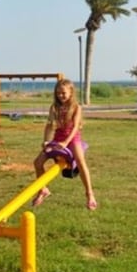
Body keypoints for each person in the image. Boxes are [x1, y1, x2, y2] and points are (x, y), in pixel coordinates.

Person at [32, 78, 97, 210]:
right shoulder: (54, 107)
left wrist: (66, 142)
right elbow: (50, 125)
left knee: (80, 161)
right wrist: (46, 141)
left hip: (72, 138)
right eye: (58, 93)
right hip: (58, 137)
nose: (60, 95)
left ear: (71, 93)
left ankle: (89, 194)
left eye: (63, 93)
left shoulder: (76, 107)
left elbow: (75, 128)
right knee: (37, 162)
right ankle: (43, 190)